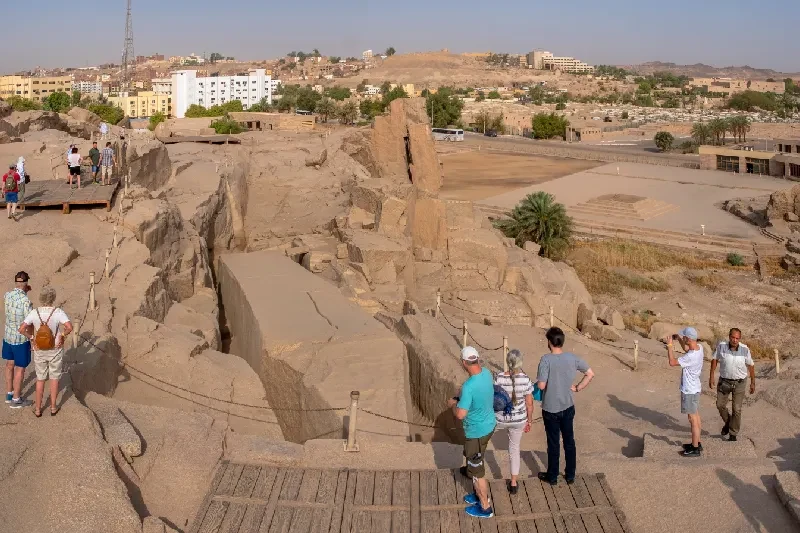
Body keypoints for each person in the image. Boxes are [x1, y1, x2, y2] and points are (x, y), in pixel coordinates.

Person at [536, 327, 594, 486]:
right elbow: (590, 373)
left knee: (553, 442)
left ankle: (553, 476)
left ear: (549, 342)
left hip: (550, 408)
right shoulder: (572, 357)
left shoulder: (545, 360)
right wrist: (578, 387)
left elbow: (541, 385)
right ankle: (570, 475)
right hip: (568, 405)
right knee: (569, 440)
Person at [447, 346, 496, 519]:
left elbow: (460, 414)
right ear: (477, 359)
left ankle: (485, 507)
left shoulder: (469, 386)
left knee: (477, 472)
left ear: (463, 363)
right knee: (477, 460)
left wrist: (453, 405)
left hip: (476, 432)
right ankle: (477, 494)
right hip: (489, 425)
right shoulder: (487, 374)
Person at [19, 287, 72, 417]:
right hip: (55, 348)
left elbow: (21, 329)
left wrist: (32, 339)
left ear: (41, 298)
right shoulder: (58, 312)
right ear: (53, 298)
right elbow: (69, 327)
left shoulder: (34, 312)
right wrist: (62, 336)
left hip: (39, 349)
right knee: (54, 378)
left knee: (40, 379)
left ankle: (38, 409)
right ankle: (53, 407)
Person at [494, 349, 534, 494]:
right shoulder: (526, 379)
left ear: (507, 362)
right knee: (514, 449)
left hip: (499, 418)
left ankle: (474, 470)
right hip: (518, 420)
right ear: (520, 362)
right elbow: (529, 404)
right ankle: (513, 482)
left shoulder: (498, 378)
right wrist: (529, 421)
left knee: (482, 442)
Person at [709, 328, 755, 442]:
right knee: (720, 405)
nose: (735, 340)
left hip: (740, 382)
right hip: (724, 381)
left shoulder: (745, 349)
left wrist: (753, 382)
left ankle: (733, 433)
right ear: (729, 337)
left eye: (737, 338)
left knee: (737, 409)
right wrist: (711, 376)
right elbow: (715, 359)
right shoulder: (722, 346)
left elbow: (751, 365)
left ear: (740, 338)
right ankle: (729, 422)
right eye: (733, 337)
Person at [666, 327, 704, 457]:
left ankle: (695, 448)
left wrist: (670, 346)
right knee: (696, 416)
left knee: (692, 418)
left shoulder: (690, 357)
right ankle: (697, 442)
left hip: (689, 390)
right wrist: (681, 340)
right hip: (696, 388)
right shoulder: (699, 348)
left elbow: (672, 362)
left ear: (688, 338)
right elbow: (687, 348)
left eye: (684, 337)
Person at [3, 272, 32, 408]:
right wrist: (32, 339)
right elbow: (28, 322)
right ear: (26, 283)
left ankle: (9, 394)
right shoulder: (26, 301)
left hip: (8, 335)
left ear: (16, 282)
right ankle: (16, 399)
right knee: (20, 368)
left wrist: (23, 291)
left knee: (9, 364)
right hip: (20, 339)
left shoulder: (7, 295)